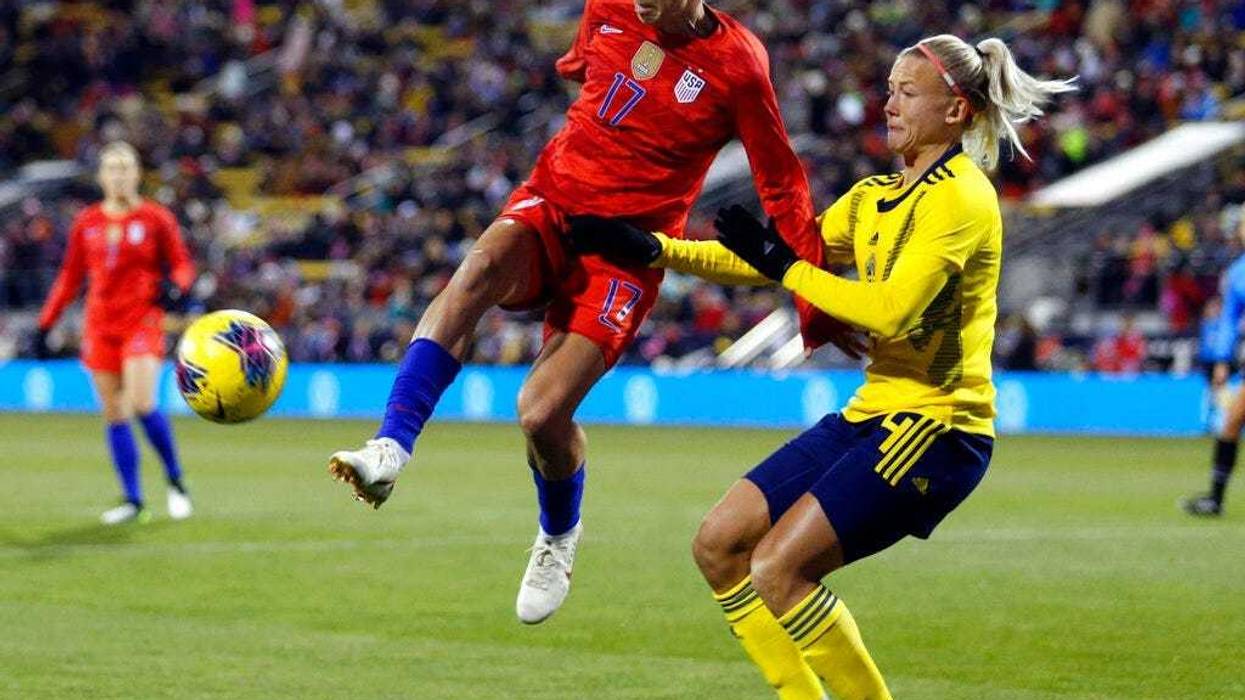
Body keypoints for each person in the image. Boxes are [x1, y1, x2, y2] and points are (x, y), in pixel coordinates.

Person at [326, 0, 856, 634]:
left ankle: (557, 534)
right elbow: (592, 78)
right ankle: (390, 446)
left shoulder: (739, 66)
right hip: (551, 201)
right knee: (478, 269)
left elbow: (783, 184)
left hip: (625, 252)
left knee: (541, 413)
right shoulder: (606, 9)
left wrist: (814, 301)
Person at [572, 34, 1075, 699]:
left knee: (778, 568)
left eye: (907, 93)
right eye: (889, 90)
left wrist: (787, 267)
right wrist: (650, 247)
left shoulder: (960, 198)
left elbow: (889, 311)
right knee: (720, 545)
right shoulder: (872, 196)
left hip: (937, 430)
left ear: (955, 112)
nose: (888, 105)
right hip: (874, 415)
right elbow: (775, 261)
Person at [36, 141, 197, 525]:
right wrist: (46, 323)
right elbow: (70, 276)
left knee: (142, 402)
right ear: (101, 176)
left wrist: (176, 286)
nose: (120, 174)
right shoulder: (87, 222)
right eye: (112, 168)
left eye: (126, 167)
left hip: (141, 321)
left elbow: (181, 265)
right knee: (114, 412)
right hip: (100, 326)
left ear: (138, 174)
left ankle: (175, 480)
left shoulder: (157, 218)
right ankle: (133, 499)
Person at [1183, 247, 1245, 517]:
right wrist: (1221, 358)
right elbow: (1229, 319)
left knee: (1233, 419)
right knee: (1232, 420)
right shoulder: (1237, 272)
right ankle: (1215, 499)